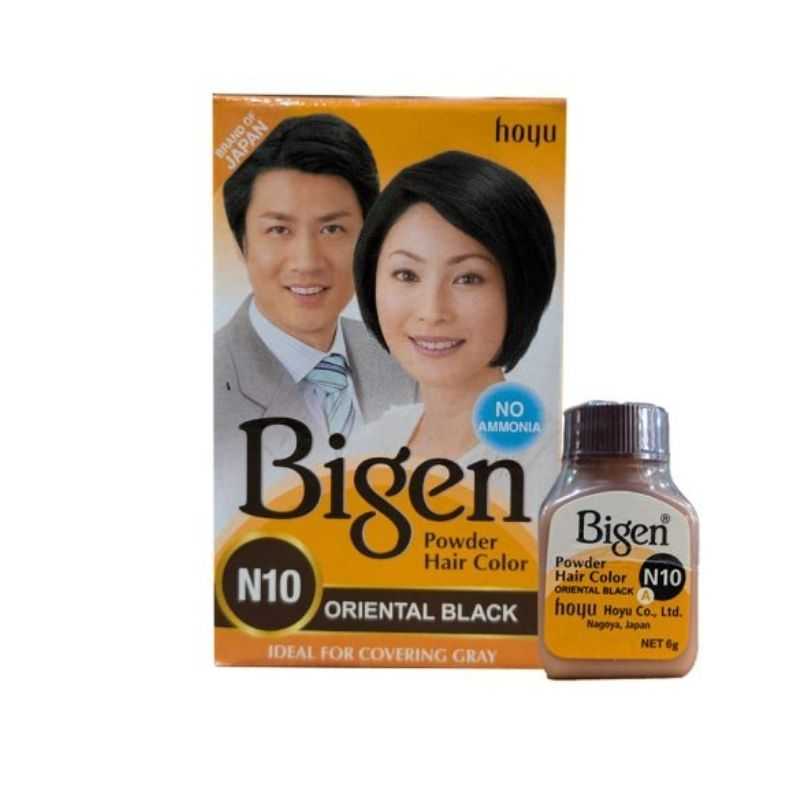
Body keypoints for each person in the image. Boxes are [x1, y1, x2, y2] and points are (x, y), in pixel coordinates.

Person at [215, 114, 415, 534]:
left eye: (332, 228)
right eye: (278, 230)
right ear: (241, 243)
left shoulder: (408, 360)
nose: (307, 262)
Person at [351, 150, 557, 513]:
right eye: (406, 275)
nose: (432, 312)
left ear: (521, 287)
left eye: (468, 278)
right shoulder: (370, 447)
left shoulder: (549, 463)